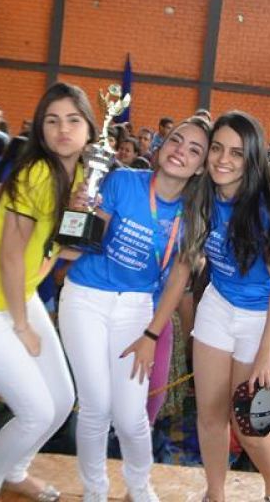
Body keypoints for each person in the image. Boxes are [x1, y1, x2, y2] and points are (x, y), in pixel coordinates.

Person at [0, 83, 96, 502]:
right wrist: (22, 326)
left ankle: (14, 472)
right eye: (53, 120)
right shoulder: (36, 173)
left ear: (89, 128)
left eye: (73, 120)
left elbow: (60, 248)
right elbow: (10, 256)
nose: (63, 130)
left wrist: (83, 218)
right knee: (36, 411)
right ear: (41, 129)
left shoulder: (79, 176)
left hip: (20, 295)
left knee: (62, 400)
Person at [58, 116, 211, 502]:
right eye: (176, 141)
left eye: (194, 150)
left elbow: (178, 281)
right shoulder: (123, 182)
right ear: (162, 145)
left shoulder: (194, 213)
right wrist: (76, 213)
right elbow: (80, 244)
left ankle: (140, 488)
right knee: (95, 407)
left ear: (200, 166)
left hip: (137, 308)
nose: (181, 151)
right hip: (86, 297)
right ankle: (95, 491)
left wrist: (151, 335)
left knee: (130, 417)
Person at [178, 111, 270, 502]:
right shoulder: (202, 195)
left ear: (252, 159)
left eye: (236, 153)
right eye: (217, 148)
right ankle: (215, 493)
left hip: (267, 314)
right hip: (219, 302)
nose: (223, 159)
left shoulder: (269, 210)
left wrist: (266, 354)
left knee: (249, 423)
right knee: (210, 413)